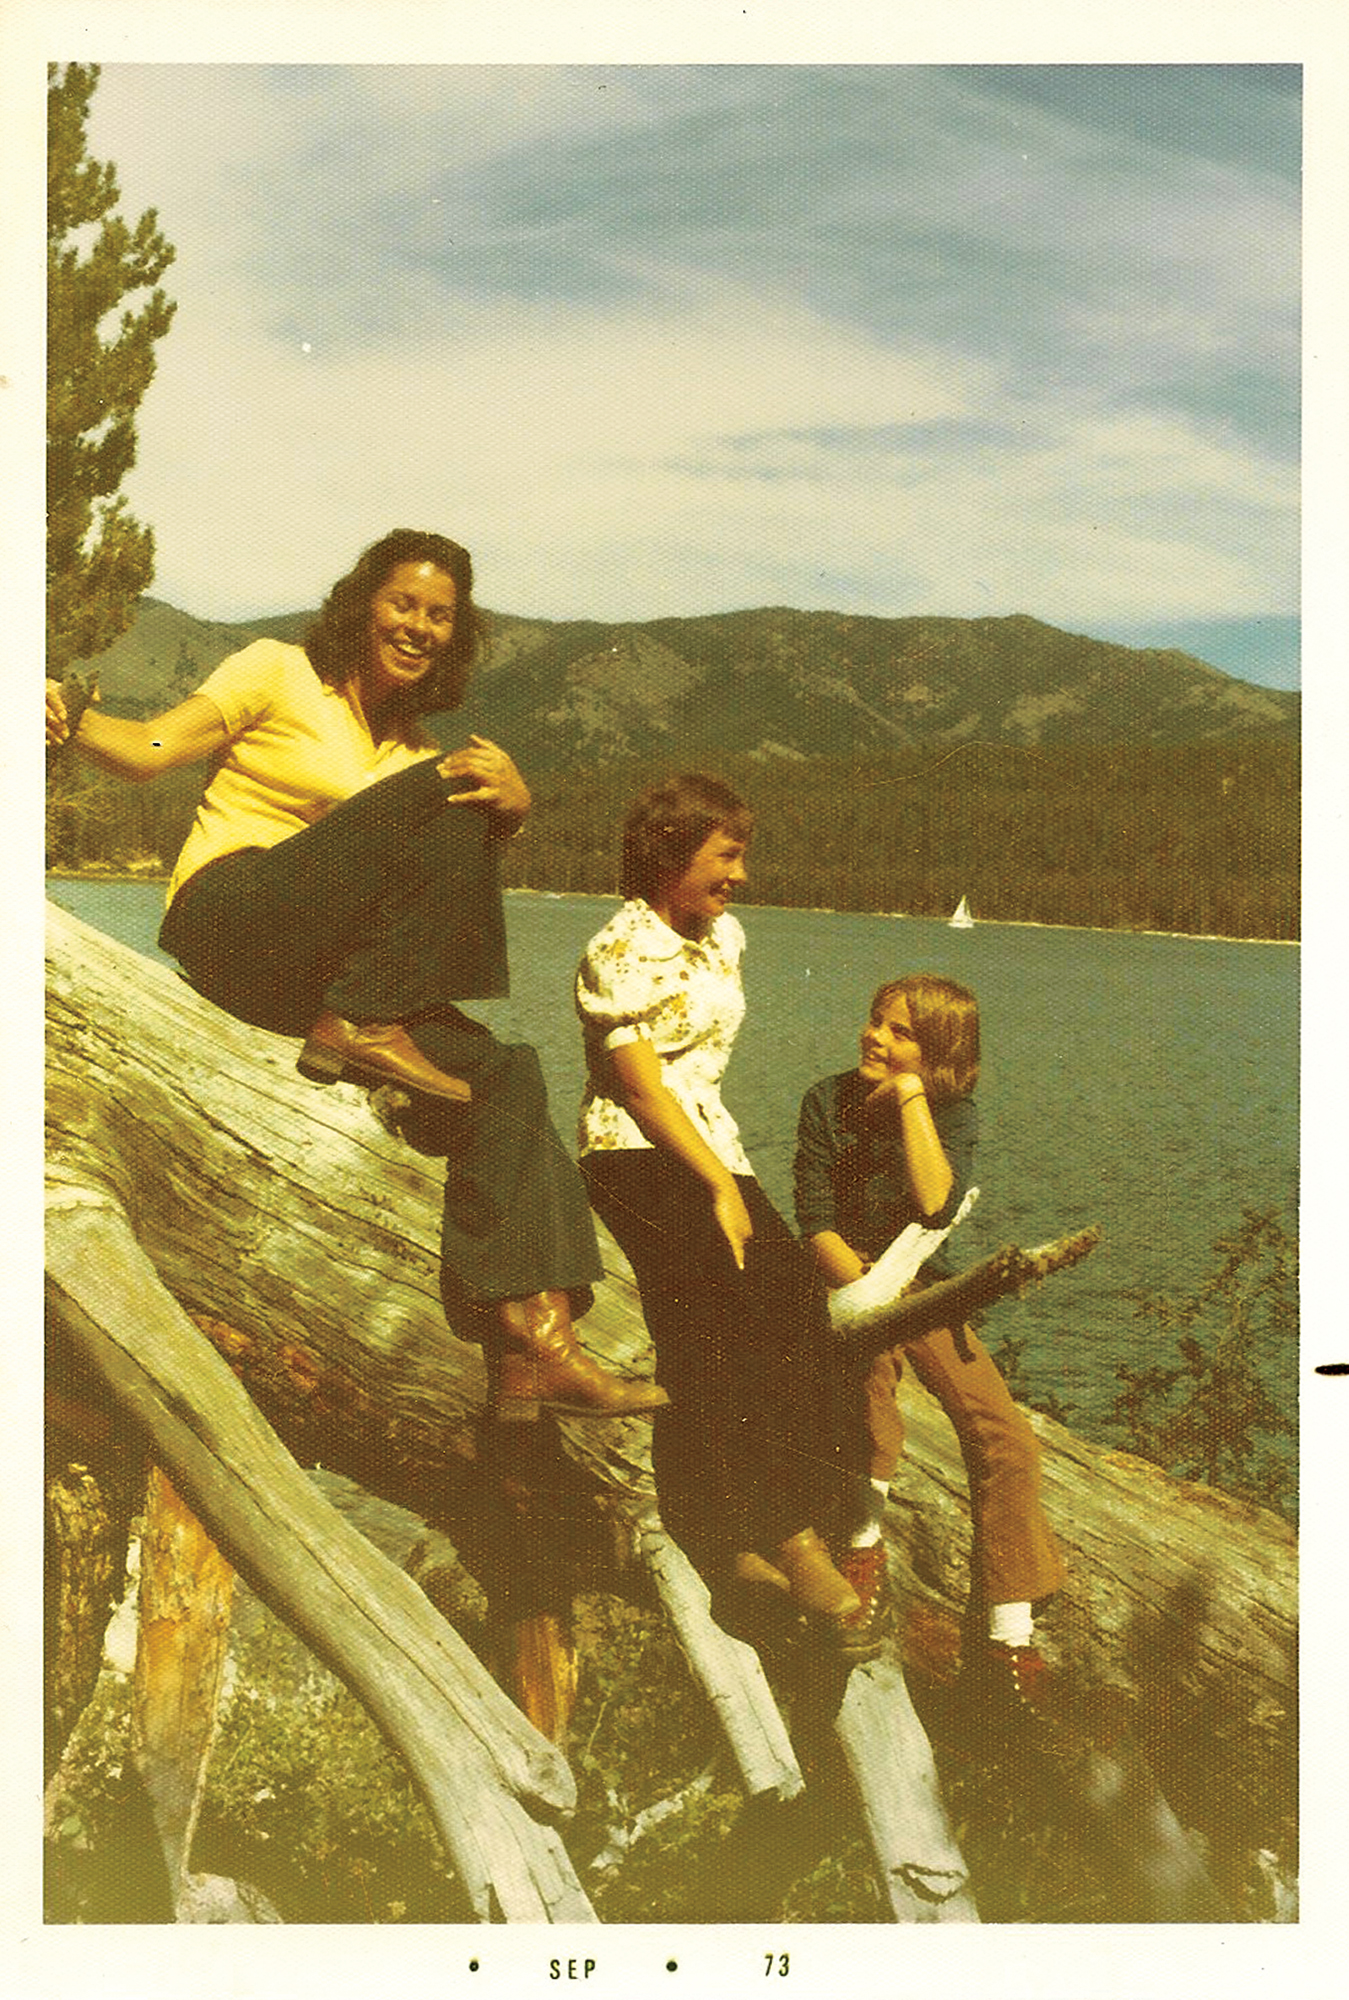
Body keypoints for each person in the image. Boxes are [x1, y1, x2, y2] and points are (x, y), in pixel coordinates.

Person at [45, 527, 666, 1426]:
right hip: (230, 912)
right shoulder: (276, 670)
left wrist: (516, 813)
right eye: (402, 604)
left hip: (324, 978)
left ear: (457, 636)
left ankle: (536, 1350)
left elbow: (426, 888)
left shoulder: (416, 755)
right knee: (457, 786)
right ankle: (364, 1026)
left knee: (506, 1075)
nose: (418, 626)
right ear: (362, 605)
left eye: (439, 615)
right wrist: (64, 713)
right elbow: (148, 747)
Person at [574, 774, 860, 1634]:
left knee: (796, 1307)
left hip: (714, 1151)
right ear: (670, 854)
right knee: (710, 1320)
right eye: (725, 856)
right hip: (634, 1153)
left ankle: (788, 1520)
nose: (739, 875)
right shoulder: (617, 951)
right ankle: (764, 1535)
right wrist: (713, 1189)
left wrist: (727, 1181)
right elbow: (643, 1092)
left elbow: (701, 1085)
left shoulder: (721, 935)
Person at [794, 975, 1065, 1706]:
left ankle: (1009, 1631)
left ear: (939, 1052)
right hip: (845, 1281)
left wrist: (912, 1098)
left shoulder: (954, 1113)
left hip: (928, 1283)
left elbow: (936, 1202)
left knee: (1004, 1436)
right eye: (874, 1021)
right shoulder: (826, 1101)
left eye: (900, 1032)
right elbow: (814, 1218)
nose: (874, 1038)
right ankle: (859, 1548)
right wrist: (865, 1299)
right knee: (870, 1389)